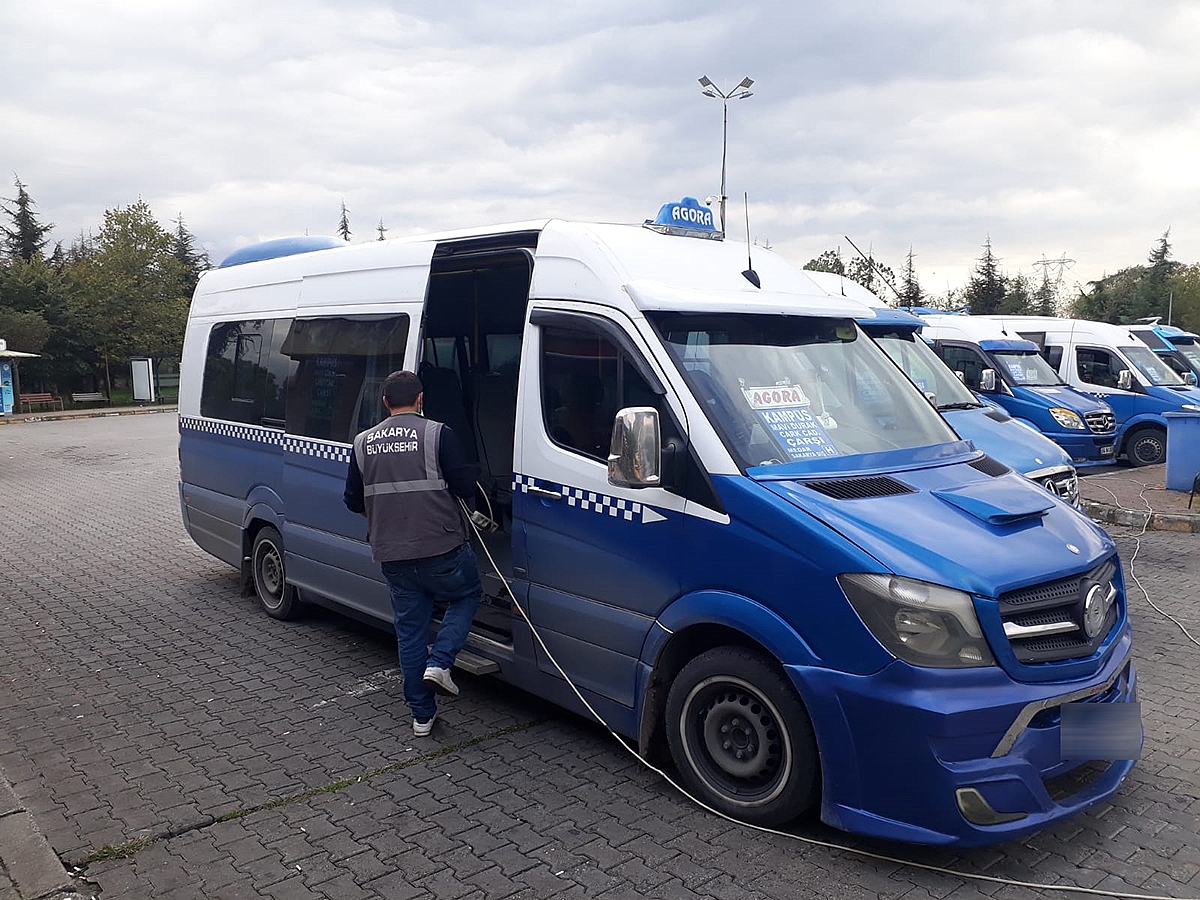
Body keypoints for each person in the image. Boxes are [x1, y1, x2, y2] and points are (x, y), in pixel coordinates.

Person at [343, 370, 482, 736]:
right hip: (442, 547)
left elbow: (353, 500)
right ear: (420, 399)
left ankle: (422, 716)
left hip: (392, 554)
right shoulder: (438, 434)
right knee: (467, 595)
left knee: (409, 633)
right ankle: (440, 662)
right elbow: (465, 486)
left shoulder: (362, 443)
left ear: (384, 402)